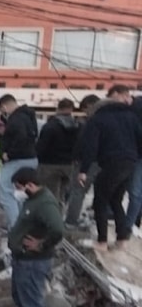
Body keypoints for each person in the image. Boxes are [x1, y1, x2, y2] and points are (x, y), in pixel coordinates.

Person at [77, 84, 142, 250]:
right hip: (131, 163)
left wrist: (84, 170)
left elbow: (90, 147)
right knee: (116, 200)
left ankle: (102, 241)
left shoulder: (98, 120)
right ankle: (121, 239)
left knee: (100, 201)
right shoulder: (132, 117)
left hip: (112, 163)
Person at [7, 167, 64, 307]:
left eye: (19, 187)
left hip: (33, 262)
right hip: (22, 259)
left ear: (30, 185)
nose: (17, 192)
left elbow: (57, 229)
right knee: (21, 298)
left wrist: (40, 244)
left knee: (32, 302)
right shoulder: (33, 199)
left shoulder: (45, 203)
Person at [0, 94, 40, 231]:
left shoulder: (16, 119)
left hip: (17, 160)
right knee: (22, 194)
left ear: (4, 106)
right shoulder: (29, 116)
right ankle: (24, 225)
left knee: (5, 192)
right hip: (30, 159)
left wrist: (9, 154)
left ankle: (15, 228)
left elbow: (20, 137)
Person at [65, 94, 102, 228]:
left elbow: (86, 145)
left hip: (88, 161)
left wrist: (80, 163)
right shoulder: (105, 121)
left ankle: (71, 221)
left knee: (78, 190)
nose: (85, 112)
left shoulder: (92, 123)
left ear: (92, 106)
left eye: (86, 109)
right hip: (101, 161)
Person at [36, 98, 80, 205]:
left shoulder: (50, 126)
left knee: (49, 196)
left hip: (49, 165)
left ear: (58, 108)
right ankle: (60, 217)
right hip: (69, 165)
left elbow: (41, 146)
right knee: (62, 196)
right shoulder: (78, 126)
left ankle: (52, 219)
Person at [124, 94, 142, 229]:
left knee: (134, 191)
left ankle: (129, 224)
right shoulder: (136, 104)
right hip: (134, 153)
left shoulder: (135, 104)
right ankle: (131, 223)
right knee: (136, 192)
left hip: (133, 153)